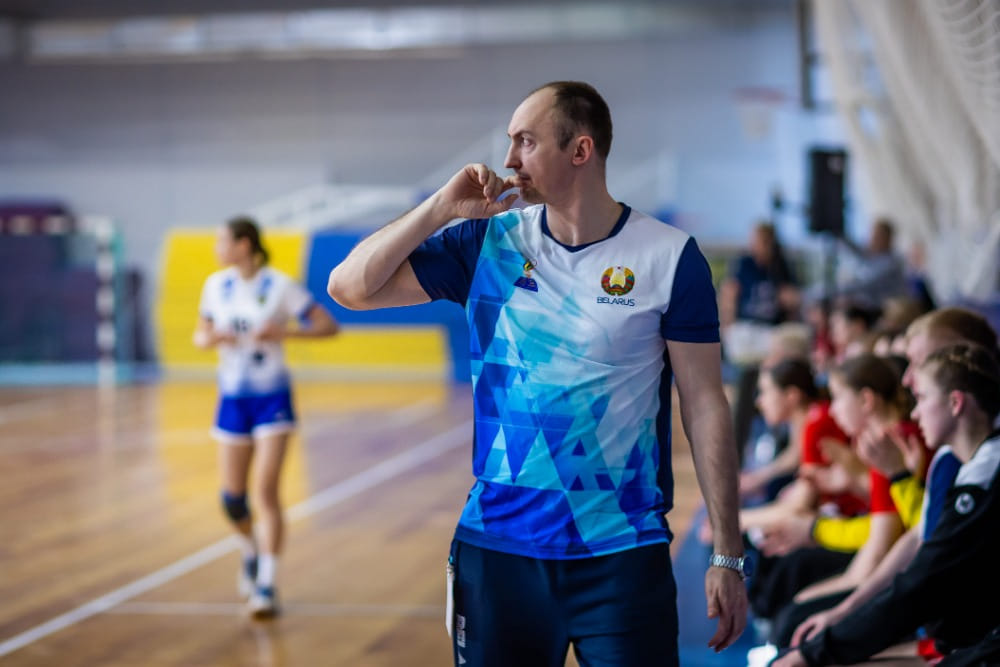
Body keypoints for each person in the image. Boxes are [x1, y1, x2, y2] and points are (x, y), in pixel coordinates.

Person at [327, 81, 748, 666]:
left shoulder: (670, 257)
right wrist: (440, 208)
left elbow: (704, 405)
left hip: (622, 553)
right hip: (498, 553)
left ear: (580, 150)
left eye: (525, 141)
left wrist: (727, 552)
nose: (508, 160)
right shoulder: (486, 244)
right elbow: (348, 288)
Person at [773, 343, 1000, 666]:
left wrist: (897, 478)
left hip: (965, 637)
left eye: (921, 397)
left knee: (796, 619)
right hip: (947, 628)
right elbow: (919, 537)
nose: (914, 410)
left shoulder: (898, 442)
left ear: (955, 402)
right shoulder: (948, 458)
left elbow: (914, 564)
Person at [193, 216, 339, 618]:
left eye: (222, 240)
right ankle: (250, 551)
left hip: (272, 397)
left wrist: (284, 333)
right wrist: (211, 338)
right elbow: (200, 335)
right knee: (232, 500)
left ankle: (267, 586)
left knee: (266, 492)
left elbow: (328, 326)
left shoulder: (279, 285)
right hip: (232, 399)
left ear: (244, 245)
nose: (217, 248)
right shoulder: (215, 286)